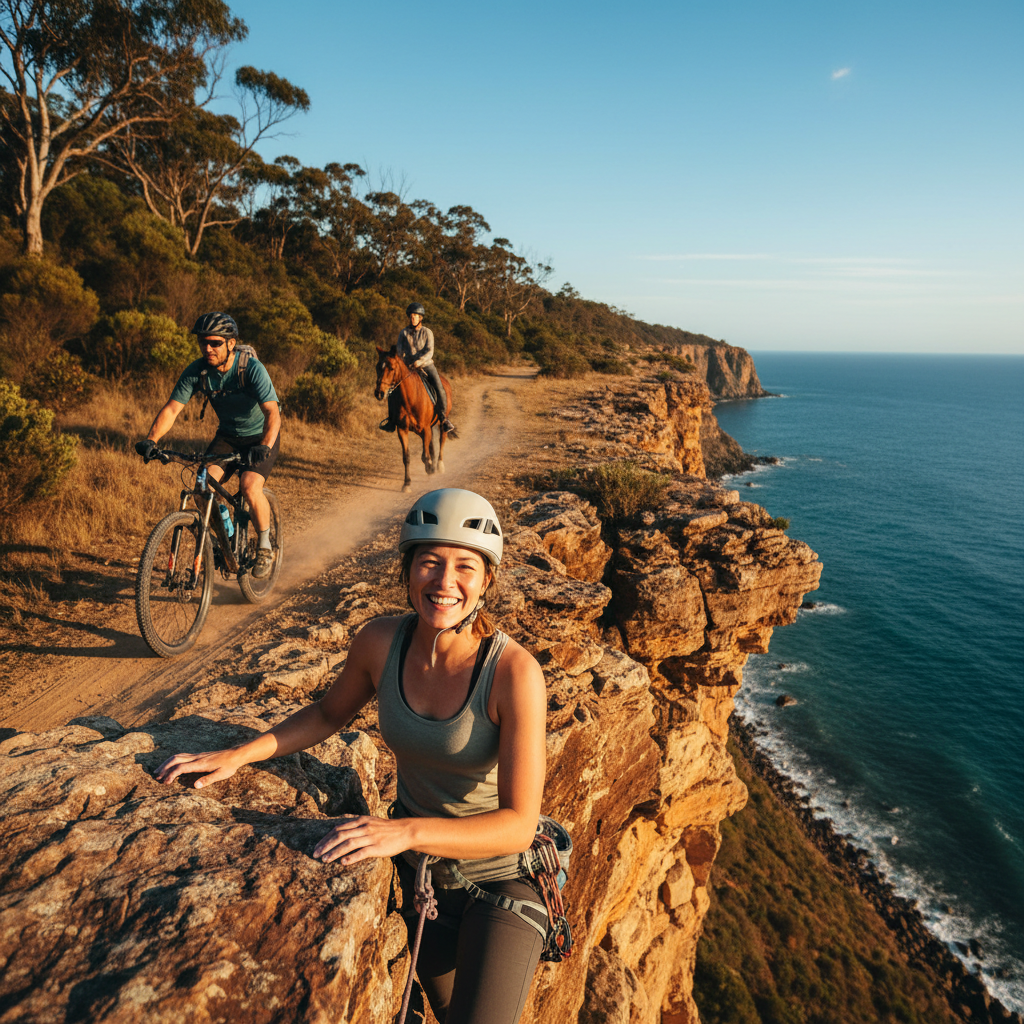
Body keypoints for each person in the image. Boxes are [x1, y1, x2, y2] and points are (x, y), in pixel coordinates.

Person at [154, 488, 549, 1024]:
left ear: (487, 580)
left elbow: (519, 825)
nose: (444, 582)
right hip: (423, 874)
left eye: (464, 567)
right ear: (407, 569)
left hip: (498, 882)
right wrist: (240, 755)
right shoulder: (380, 642)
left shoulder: (513, 674)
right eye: (429, 563)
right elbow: (326, 715)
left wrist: (405, 832)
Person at [134, 312, 281, 579]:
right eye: (203, 342)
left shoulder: (250, 368)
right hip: (227, 436)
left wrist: (266, 446)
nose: (208, 348)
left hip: (259, 437)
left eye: (214, 343)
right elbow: (172, 409)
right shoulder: (198, 370)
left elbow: (273, 412)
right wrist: (152, 439)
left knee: (249, 486)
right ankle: (226, 537)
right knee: (201, 489)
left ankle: (264, 546)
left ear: (231, 343)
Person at [385, 302, 456, 434]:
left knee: (439, 388)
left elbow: (430, 351)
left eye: (415, 316)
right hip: (408, 367)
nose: (412, 318)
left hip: (426, 365)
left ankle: (443, 418)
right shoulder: (403, 333)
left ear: (420, 318)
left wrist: (419, 362)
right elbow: (399, 351)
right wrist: (404, 362)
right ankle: (391, 420)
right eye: (411, 316)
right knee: (392, 389)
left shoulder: (427, 332)